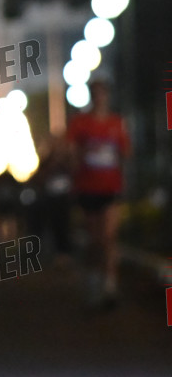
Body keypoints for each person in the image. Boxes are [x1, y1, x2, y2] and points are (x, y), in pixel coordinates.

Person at [66, 78, 129, 308]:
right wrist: (79, 160)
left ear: (108, 96)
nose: (100, 98)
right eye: (96, 93)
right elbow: (70, 152)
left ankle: (110, 285)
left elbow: (124, 153)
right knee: (94, 240)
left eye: (103, 93)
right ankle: (93, 281)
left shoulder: (116, 123)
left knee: (109, 237)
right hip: (88, 187)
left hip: (111, 188)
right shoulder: (80, 123)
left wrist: (123, 177)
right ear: (91, 96)